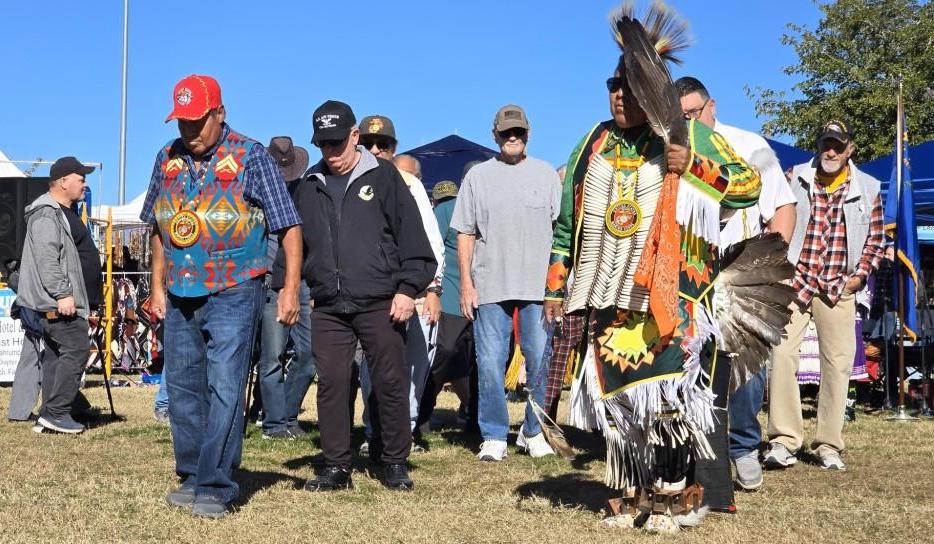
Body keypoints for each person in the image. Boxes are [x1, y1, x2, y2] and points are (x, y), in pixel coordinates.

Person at [545, 6, 761, 531]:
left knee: (665, 399)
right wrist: (556, 285)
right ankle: (627, 493)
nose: (618, 95)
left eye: (629, 85)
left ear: (652, 90)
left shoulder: (685, 134)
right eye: (613, 85)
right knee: (617, 403)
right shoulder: (592, 143)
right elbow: (566, 222)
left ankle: (672, 496)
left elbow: (747, 184)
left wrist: (696, 166)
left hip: (669, 296)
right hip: (603, 292)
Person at [140, 74, 303, 519]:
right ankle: (193, 472)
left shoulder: (252, 157)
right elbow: (156, 226)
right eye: (182, 123)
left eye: (197, 122)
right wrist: (156, 286)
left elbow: (288, 224)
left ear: (220, 113)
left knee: (226, 382)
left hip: (235, 286)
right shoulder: (165, 160)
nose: (189, 132)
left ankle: (216, 481)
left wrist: (289, 289)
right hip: (178, 288)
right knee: (183, 385)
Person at [295, 100, 436, 492]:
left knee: (390, 382)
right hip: (328, 305)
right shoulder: (309, 185)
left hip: (382, 300)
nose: (332, 153)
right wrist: (298, 287)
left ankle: (393, 461)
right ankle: (336, 466)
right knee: (333, 383)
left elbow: (414, 240)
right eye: (324, 145)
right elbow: (298, 245)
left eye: (338, 143)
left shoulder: (387, 178)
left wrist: (409, 289)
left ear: (355, 136)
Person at [676, 75, 797, 492]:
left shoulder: (747, 145)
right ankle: (693, 450)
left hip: (741, 269)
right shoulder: (672, 151)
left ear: (712, 105)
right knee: (690, 364)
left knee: (744, 362)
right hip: (689, 274)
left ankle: (743, 446)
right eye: (682, 115)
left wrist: (772, 262)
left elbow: (782, 205)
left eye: (695, 112)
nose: (690, 119)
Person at [764, 119, 884, 472]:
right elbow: (774, 220)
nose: (830, 151)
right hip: (795, 281)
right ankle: (784, 440)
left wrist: (858, 277)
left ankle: (828, 444)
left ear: (850, 149)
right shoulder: (795, 176)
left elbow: (876, 240)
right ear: (818, 145)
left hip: (838, 285)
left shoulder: (868, 187)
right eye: (825, 144)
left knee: (838, 361)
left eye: (837, 145)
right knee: (781, 354)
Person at [451, 104, 561, 461]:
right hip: (489, 285)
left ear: (528, 134)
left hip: (539, 288)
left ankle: (533, 431)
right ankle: (495, 435)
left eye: (518, 132)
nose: (512, 138)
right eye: (505, 133)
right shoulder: (478, 177)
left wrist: (559, 286)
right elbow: (465, 233)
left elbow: (561, 235)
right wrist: (466, 284)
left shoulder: (546, 175)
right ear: (494, 136)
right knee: (489, 363)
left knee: (541, 361)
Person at [354, 115, 445, 452]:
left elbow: (431, 242)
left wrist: (433, 289)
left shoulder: (409, 183)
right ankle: (373, 429)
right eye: (368, 144)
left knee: (412, 364)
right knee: (371, 363)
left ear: (394, 148)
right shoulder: (348, 181)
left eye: (384, 144)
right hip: (368, 291)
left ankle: (402, 430)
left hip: (412, 288)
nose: (376, 150)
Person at [16, 156, 101, 435]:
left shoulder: (66, 211)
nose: (85, 183)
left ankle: (49, 415)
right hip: (57, 302)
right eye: (81, 178)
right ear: (63, 182)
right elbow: (47, 257)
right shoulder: (46, 213)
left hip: (66, 301)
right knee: (76, 349)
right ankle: (56, 412)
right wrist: (63, 293)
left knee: (55, 355)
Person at [256, 136, 316, 440]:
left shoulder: (305, 193)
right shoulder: (257, 196)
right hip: (270, 283)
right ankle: (275, 424)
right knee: (272, 357)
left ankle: (287, 415)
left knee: (309, 353)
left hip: (302, 281)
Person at [416, 179, 476, 431]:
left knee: (477, 360)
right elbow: (432, 249)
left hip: (486, 294)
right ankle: (422, 413)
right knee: (445, 350)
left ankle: (475, 417)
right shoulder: (446, 209)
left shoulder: (490, 208)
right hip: (452, 294)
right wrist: (433, 291)